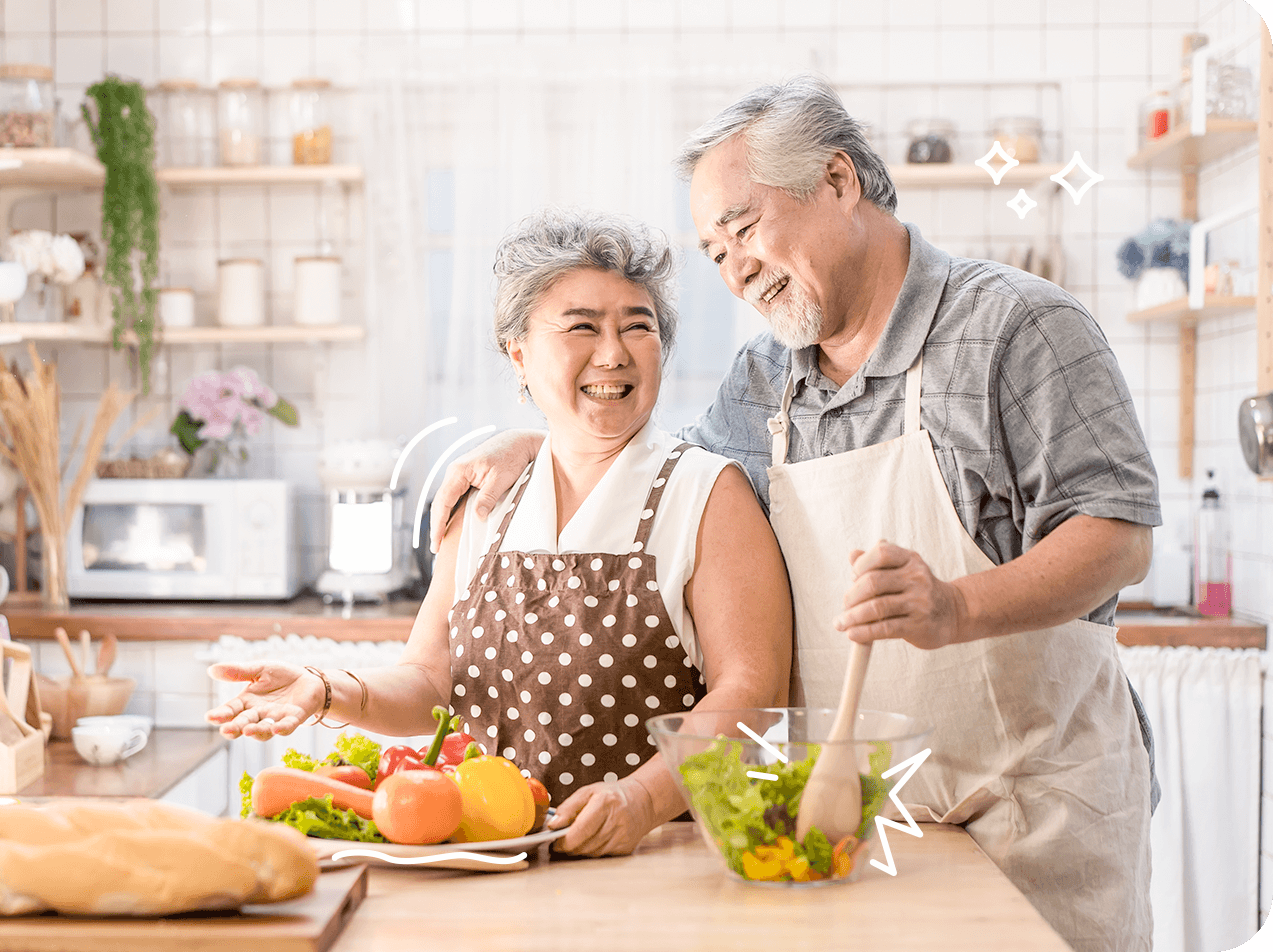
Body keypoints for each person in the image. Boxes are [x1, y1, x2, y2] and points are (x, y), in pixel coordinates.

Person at [429, 77, 1158, 952]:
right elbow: (646, 464)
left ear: (839, 181)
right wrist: (533, 440)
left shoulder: (1016, 326)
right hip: (838, 832)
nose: (732, 266)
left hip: (1029, 815)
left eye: (742, 228)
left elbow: (1116, 534)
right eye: (712, 250)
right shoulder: (763, 380)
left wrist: (955, 607)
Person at [206, 208, 793, 858]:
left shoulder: (706, 493)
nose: (614, 352)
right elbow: (431, 683)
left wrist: (642, 800)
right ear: (520, 353)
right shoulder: (487, 499)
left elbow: (753, 692)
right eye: (582, 327)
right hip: (494, 858)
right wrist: (327, 688)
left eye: (639, 327)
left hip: (661, 857)